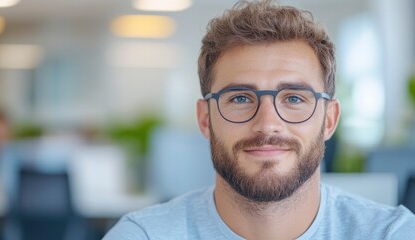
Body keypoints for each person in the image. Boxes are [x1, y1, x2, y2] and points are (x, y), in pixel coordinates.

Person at [104, 0, 415, 239]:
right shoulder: (143, 236)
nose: (267, 124)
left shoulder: (392, 234)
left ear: (330, 119)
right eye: (240, 98)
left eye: (294, 98)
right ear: (205, 119)